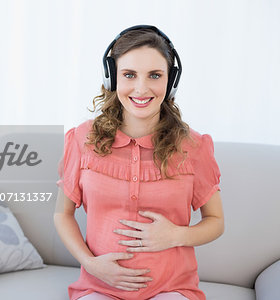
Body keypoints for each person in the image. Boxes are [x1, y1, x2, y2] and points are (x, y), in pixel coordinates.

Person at [54, 25, 224, 300]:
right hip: (99, 287)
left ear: (170, 81)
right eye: (129, 75)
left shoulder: (194, 146)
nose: (141, 88)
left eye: (155, 75)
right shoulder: (81, 139)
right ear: (112, 78)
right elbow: (62, 214)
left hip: (171, 288)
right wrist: (91, 264)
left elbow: (215, 221)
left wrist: (175, 236)